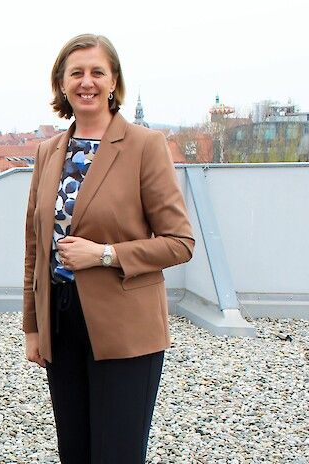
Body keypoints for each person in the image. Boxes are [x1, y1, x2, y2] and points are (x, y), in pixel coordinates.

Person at [23, 34, 195, 463]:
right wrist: (32, 326)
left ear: (114, 80)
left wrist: (105, 255)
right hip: (61, 322)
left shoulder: (144, 146)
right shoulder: (48, 151)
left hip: (126, 327)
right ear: (61, 84)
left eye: (97, 72)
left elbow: (180, 242)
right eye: (76, 73)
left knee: (116, 452)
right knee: (75, 451)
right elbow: (34, 246)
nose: (87, 82)